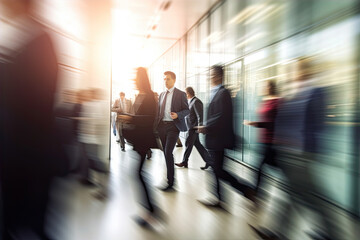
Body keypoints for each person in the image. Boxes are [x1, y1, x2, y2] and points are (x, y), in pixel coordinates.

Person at [0, 0, 63, 238]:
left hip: (27, 153)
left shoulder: (36, 42)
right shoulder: (24, 39)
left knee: (31, 221)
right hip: (24, 154)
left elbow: (32, 103)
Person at [197, 65, 255, 206]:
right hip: (214, 139)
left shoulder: (224, 93)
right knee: (216, 170)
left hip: (219, 140)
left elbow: (221, 116)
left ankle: (246, 189)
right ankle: (219, 199)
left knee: (218, 170)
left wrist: (206, 127)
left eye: (212, 75)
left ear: (219, 76)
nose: (209, 78)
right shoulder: (215, 92)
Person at [118, 67, 160, 226]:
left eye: (136, 78)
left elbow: (149, 119)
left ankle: (150, 210)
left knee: (137, 173)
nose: (134, 81)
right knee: (138, 173)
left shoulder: (149, 96)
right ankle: (150, 210)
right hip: (138, 140)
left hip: (144, 140)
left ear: (141, 79)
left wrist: (130, 118)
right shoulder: (140, 96)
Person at [243, 80, 280, 193]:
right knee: (269, 164)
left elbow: (273, 122)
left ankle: (256, 192)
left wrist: (255, 123)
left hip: (272, 140)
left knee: (260, 166)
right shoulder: (265, 100)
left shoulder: (277, 101)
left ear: (271, 87)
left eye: (266, 86)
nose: (264, 88)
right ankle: (257, 192)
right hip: (263, 139)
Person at [156, 71, 189, 191]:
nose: (166, 81)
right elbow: (158, 112)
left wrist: (178, 115)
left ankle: (170, 182)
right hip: (162, 127)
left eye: (168, 79)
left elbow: (187, 110)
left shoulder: (180, 94)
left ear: (174, 80)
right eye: (164, 79)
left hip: (173, 127)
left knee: (168, 151)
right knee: (165, 152)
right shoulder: (161, 94)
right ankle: (170, 179)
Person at [175, 87, 211, 170]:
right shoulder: (190, 102)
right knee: (197, 145)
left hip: (193, 128)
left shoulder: (196, 101)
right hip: (190, 127)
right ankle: (209, 161)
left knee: (188, 144)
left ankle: (184, 162)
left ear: (188, 93)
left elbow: (199, 115)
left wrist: (199, 126)